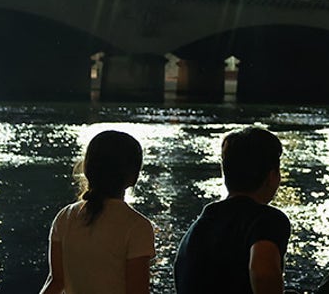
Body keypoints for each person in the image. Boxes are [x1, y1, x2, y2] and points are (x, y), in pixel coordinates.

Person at [174, 126, 291, 294]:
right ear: (272, 176)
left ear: (225, 173)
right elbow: (262, 272)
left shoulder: (200, 225)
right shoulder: (267, 219)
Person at [39, 129, 155, 294]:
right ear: (133, 176)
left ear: (88, 170)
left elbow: (56, 282)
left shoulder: (65, 217)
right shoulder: (137, 227)